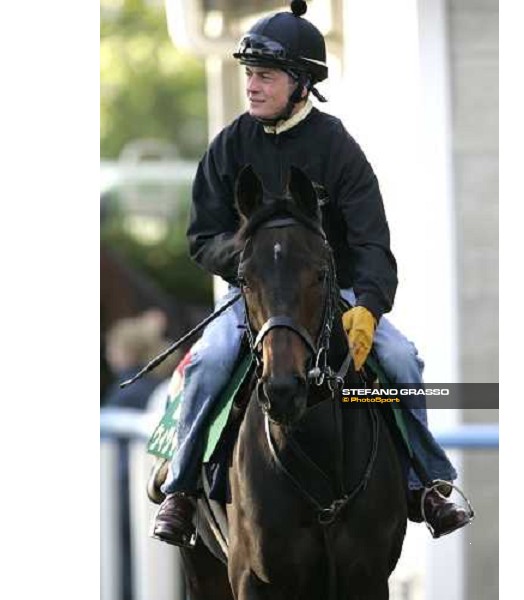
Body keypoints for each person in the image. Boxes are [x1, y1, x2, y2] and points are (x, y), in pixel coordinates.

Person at [153, 0, 472, 546]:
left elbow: (374, 244)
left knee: (400, 358)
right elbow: (201, 239)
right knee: (209, 362)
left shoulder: (339, 149)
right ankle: (181, 490)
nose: (251, 86)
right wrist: (258, 267)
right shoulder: (229, 145)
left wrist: (368, 306)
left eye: (266, 76)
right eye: (249, 74)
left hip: (335, 292)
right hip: (253, 296)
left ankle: (427, 483)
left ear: (301, 84)